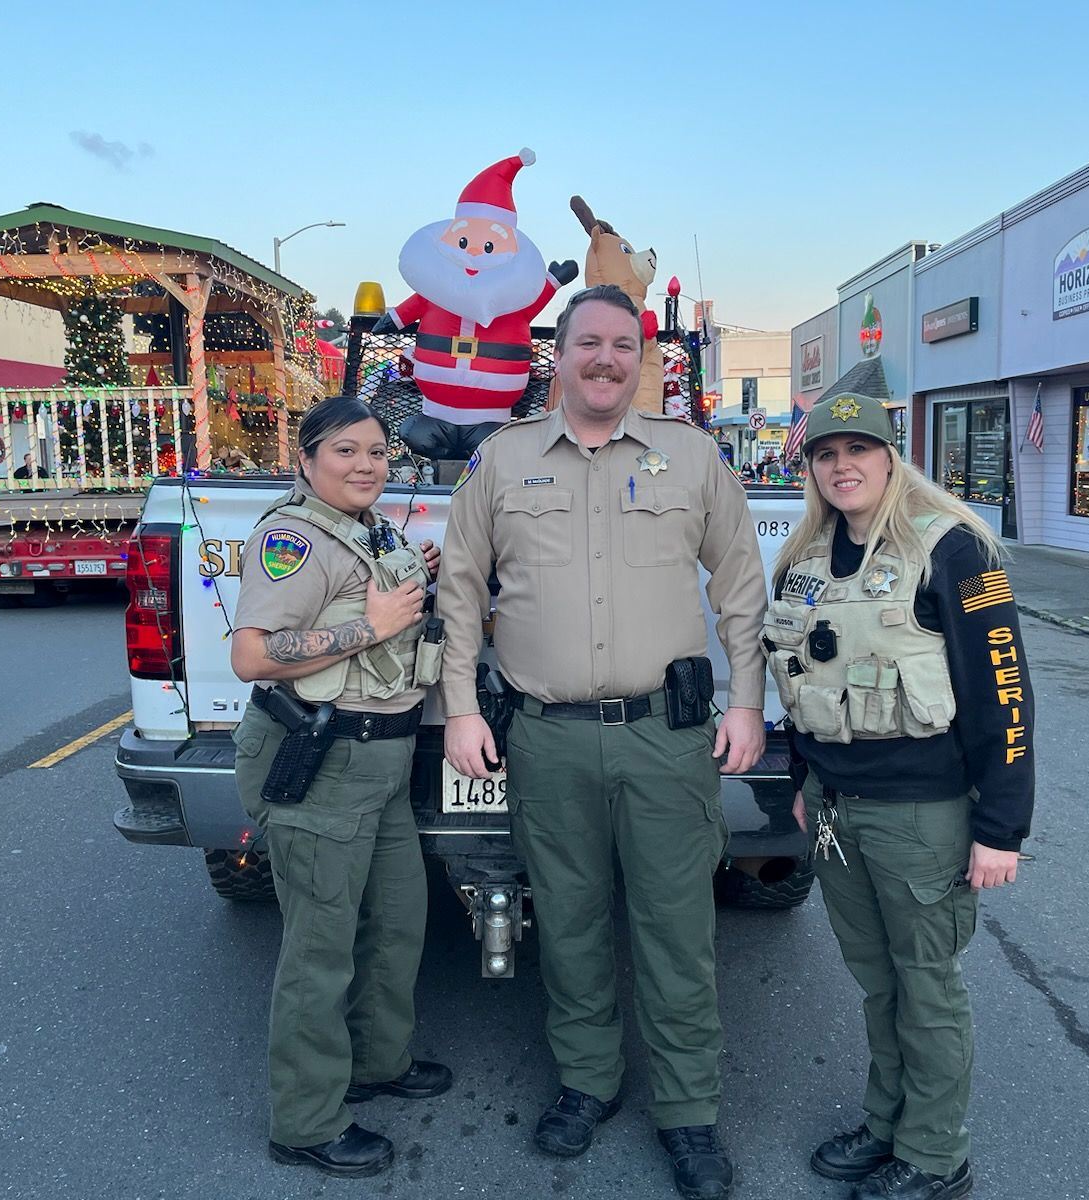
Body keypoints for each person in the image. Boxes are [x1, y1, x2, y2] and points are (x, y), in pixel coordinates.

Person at [437, 284, 768, 1200]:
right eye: (589, 342)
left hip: (666, 739)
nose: (606, 360)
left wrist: (748, 702)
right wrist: (461, 705)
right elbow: (460, 590)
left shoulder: (692, 457)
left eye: (624, 345)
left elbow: (740, 582)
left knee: (676, 928)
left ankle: (689, 1110)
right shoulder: (502, 462)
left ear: (642, 355)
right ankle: (587, 1083)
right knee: (572, 922)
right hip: (544, 737)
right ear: (561, 350)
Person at [768, 393, 1034, 1200]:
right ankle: (886, 1124)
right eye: (826, 454)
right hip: (839, 813)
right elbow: (800, 683)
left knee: (927, 988)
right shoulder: (807, 559)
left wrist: (1001, 829)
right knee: (878, 983)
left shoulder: (954, 551)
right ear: (810, 468)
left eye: (860, 449)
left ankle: (934, 1152)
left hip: (923, 815)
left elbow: (1005, 694)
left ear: (893, 457)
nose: (842, 465)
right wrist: (802, 784)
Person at [230, 397, 450, 1179]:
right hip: (324, 762)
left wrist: (405, 582)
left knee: (397, 923)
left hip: (384, 765)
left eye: (377, 452)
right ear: (307, 458)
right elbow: (253, 658)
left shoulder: (369, 530)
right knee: (320, 950)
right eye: (346, 451)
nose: (364, 465)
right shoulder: (291, 538)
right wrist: (372, 626)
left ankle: (376, 1063)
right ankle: (307, 1119)